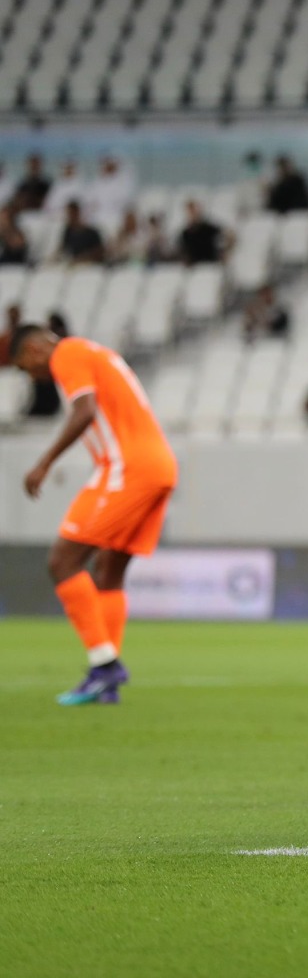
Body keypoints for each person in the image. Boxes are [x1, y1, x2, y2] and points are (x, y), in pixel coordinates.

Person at [9, 325, 179, 705]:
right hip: (159, 466)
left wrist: (44, 463)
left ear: (34, 349)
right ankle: (107, 682)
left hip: (128, 467)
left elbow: (84, 411)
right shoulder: (96, 353)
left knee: (63, 561)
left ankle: (104, 665)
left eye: (24, 366)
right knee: (109, 569)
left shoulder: (67, 354)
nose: (30, 376)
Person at [178, 200, 229, 265]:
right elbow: (183, 252)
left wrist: (225, 251)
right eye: (190, 212)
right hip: (195, 268)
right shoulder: (185, 234)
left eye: (194, 211)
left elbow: (228, 235)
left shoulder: (209, 229)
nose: (192, 214)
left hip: (212, 266)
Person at [57, 200, 105, 265]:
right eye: (67, 214)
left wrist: (82, 258)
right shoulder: (68, 231)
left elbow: (99, 252)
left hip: (90, 264)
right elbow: (63, 247)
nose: (68, 217)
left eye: (70, 213)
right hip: (75, 263)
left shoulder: (91, 232)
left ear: (77, 213)